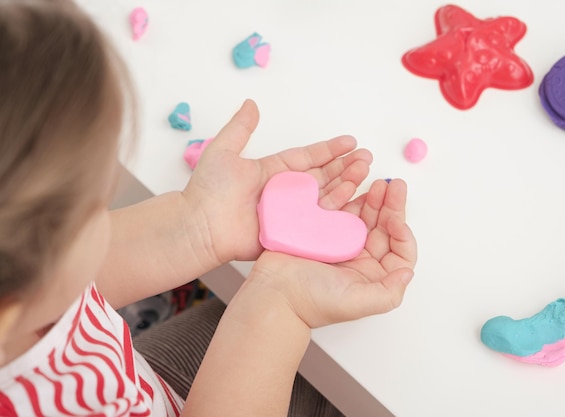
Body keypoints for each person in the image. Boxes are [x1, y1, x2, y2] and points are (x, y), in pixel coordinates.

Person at [0, 1, 417, 416]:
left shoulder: (28, 291)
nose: (104, 220)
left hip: (133, 381)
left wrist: (196, 226)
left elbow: (78, 279)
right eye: (92, 212)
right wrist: (282, 302)